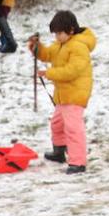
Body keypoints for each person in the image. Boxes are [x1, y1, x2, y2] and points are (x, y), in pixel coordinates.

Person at [30, 10, 97, 174]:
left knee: (73, 129)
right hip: (64, 95)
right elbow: (47, 54)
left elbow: (71, 71)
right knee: (57, 124)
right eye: (55, 34)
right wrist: (36, 48)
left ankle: (78, 162)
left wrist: (49, 74)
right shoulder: (61, 44)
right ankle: (59, 151)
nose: (57, 37)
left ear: (71, 30)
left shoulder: (79, 47)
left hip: (75, 94)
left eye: (59, 33)